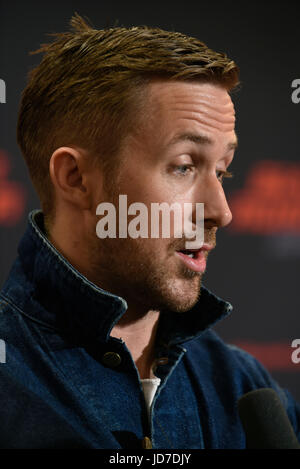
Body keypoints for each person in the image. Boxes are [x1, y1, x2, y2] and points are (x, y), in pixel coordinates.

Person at [0, 13, 299, 449]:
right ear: (76, 178)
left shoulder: (244, 386)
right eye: (183, 166)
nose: (221, 211)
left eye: (222, 171)